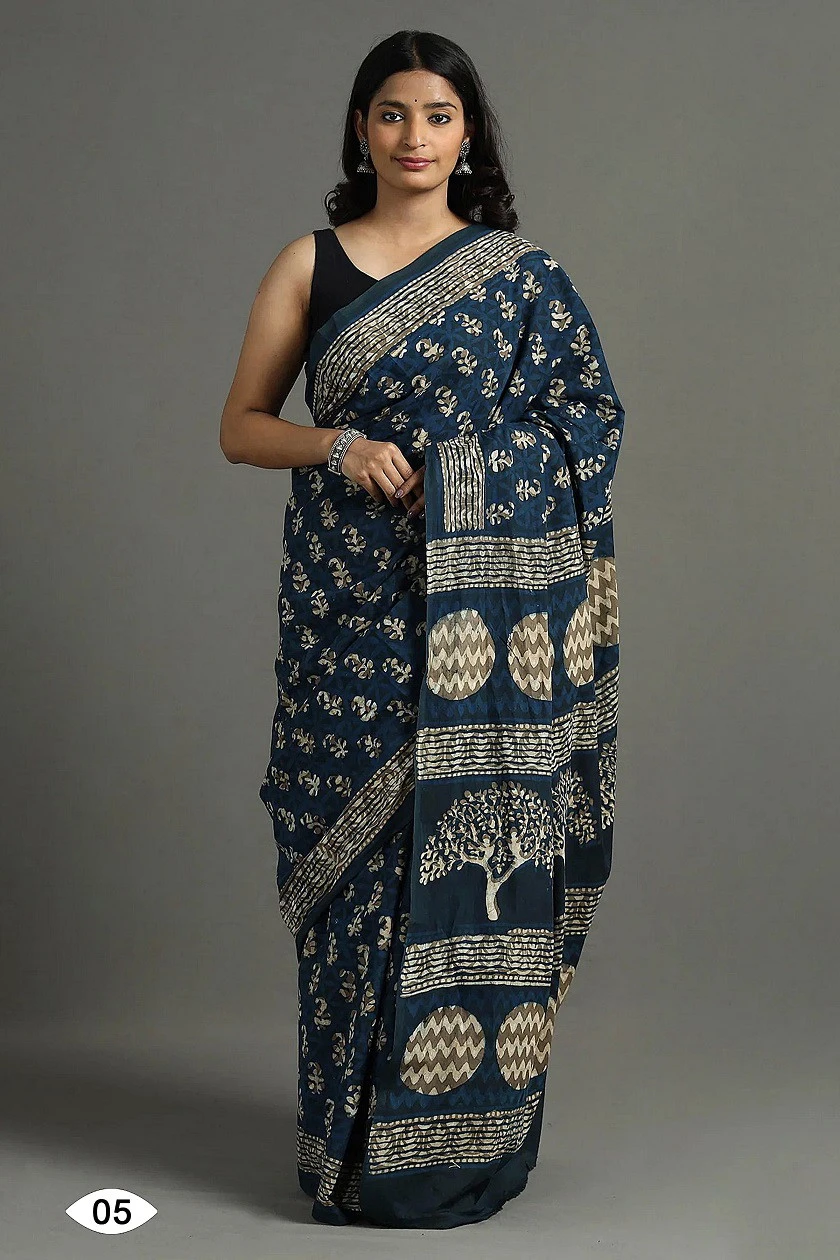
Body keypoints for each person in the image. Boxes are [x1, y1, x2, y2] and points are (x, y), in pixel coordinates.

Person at [220, 28, 626, 1230]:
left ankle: (453, 1155)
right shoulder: (311, 263)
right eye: (392, 114)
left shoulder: (522, 277)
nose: (414, 137)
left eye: (438, 116)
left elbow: (590, 424)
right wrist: (338, 445)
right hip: (349, 614)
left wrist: (463, 474)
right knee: (353, 877)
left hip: (486, 636)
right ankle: (348, 1157)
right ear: (362, 129)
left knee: (467, 867)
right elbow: (242, 426)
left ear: (468, 134)